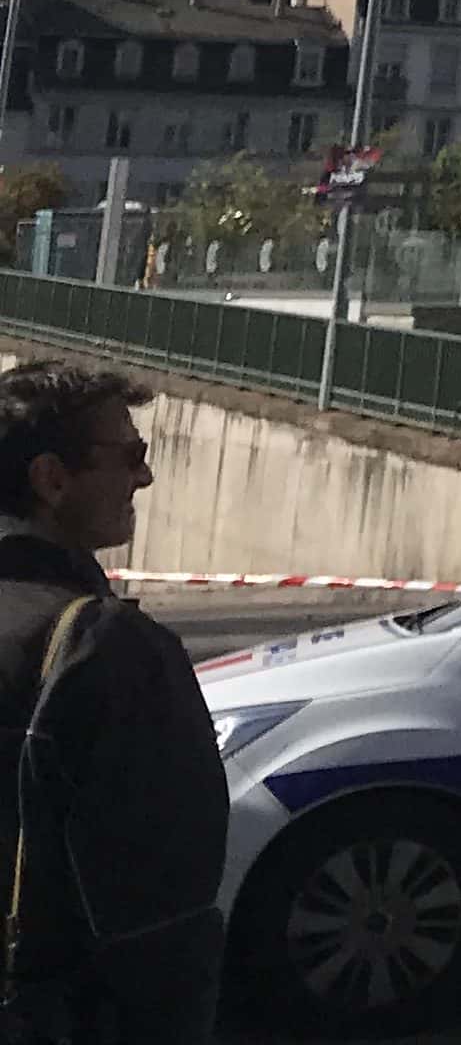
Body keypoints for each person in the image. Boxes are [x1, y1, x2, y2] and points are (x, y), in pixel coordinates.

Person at [0, 363, 226, 1042]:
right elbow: (162, 933)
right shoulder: (105, 651)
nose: (145, 478)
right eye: (131, 455)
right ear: (52, 479)